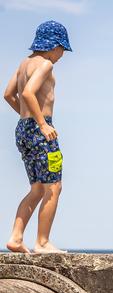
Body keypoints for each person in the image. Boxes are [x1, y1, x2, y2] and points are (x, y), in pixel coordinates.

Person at [4, 20, 72, 254]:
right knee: (54, 187)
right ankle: (42, 243)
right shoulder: (45, 65)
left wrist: (28, 119)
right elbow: (27, 92)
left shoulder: (23, 64)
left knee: (36, 189)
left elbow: (8, 95)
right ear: (53, 45)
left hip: (23, 129)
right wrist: (41, 123)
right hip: (41, 130)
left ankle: (15, 237)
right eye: (62, 49)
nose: (61, 54)